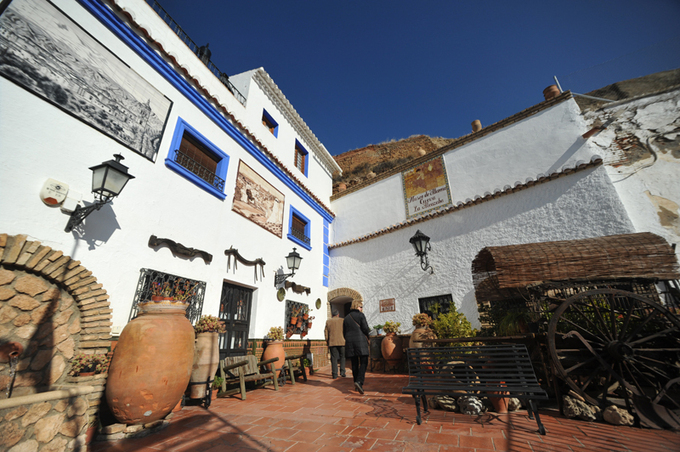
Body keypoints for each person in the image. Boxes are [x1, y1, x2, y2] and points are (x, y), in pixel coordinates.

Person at [343, 299, 370, 394]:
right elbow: (365, 328)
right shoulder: (360, 315)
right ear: (356, 306)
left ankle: (356, 383)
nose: (361, 309)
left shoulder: (346, 318)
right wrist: (368, 336)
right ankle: (359, 381)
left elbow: (344, 332)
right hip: (360, 341)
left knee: (354, 363)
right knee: (364, 361)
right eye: (360, 306)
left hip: (350, 343)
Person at [324, 308, 346, 379]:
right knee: (342, 357)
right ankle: (342, 372)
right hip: (342, 341)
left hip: (332, 342)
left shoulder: (328, 321)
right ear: (338, 314)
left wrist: (327, 340)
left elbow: (326, 332)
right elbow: (346, 330)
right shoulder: (343, 320)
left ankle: (334, 374)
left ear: (332, 315)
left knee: (334, 358)